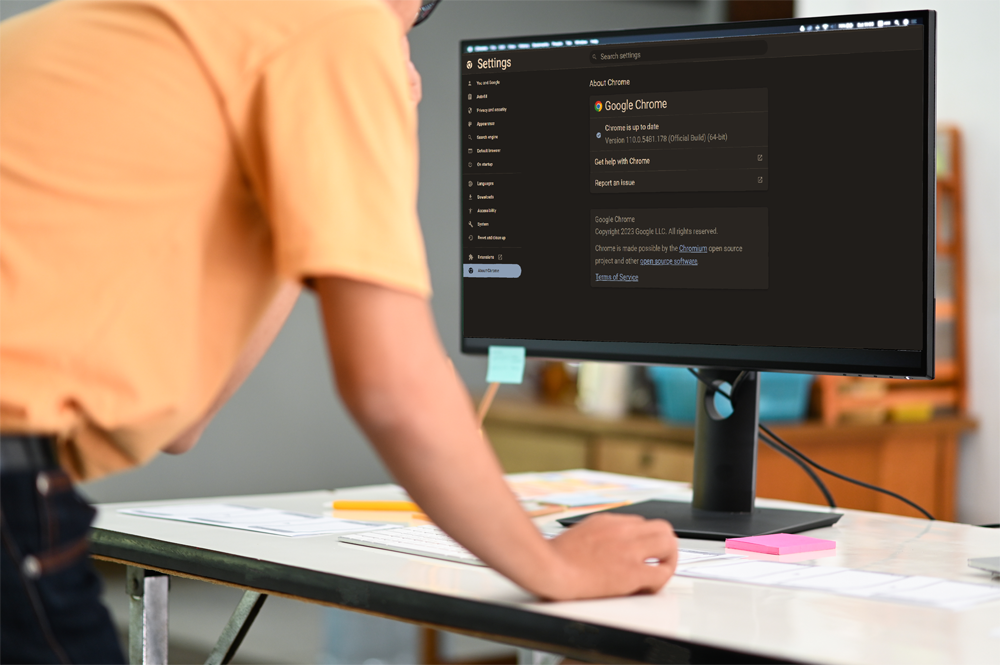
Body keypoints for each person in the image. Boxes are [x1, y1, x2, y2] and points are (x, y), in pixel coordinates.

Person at [0, 0, 678, 662]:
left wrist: (311, 199)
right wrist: (554, 566)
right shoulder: (338, 22)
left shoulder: (180, 24)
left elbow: (183, 424)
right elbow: (393, 386)